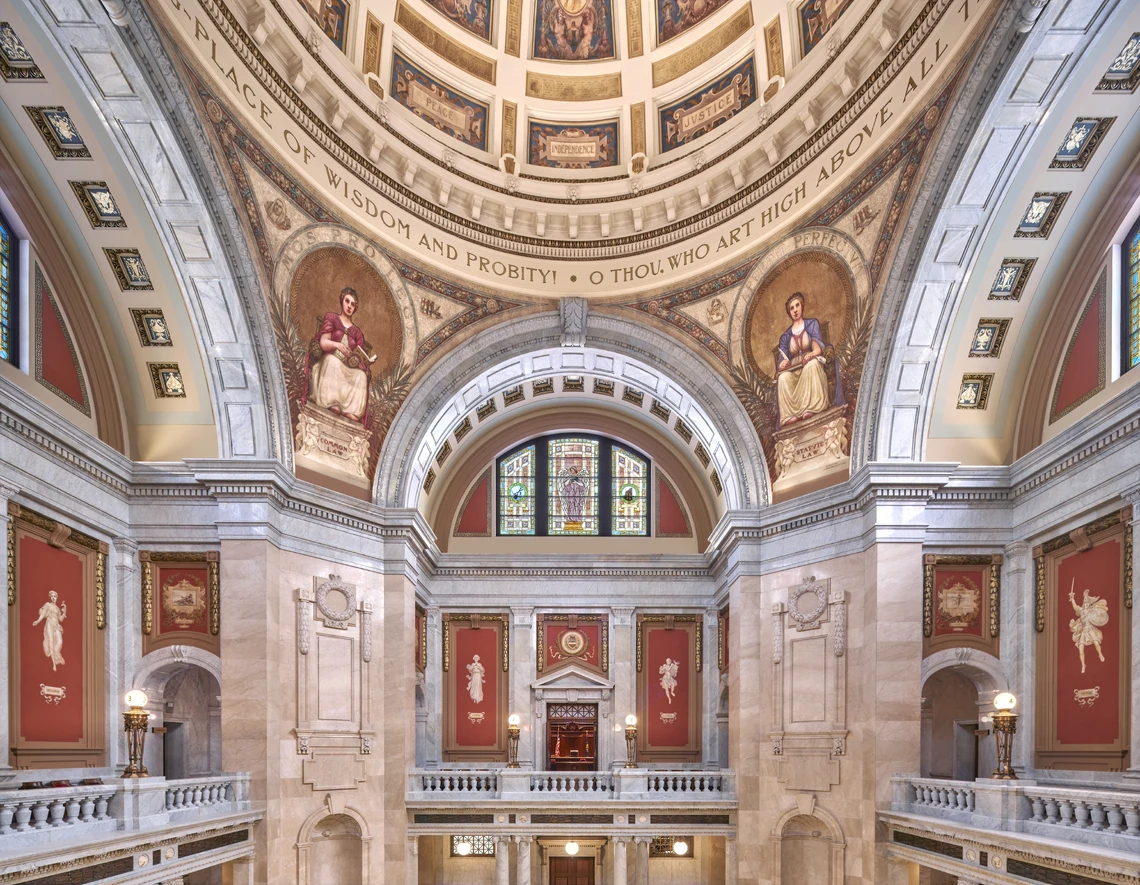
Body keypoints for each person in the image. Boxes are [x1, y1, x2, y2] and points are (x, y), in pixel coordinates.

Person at [775, 291, 845, 426]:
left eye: (797, 306)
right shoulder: (785, 336)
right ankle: (790, 415)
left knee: (811, 366)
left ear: (802, 306)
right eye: (792, 308)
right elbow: (781, 360)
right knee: (783, 378)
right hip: (794, 368)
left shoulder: (812, 324)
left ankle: (812, 407)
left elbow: (818, 349)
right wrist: (782, 364)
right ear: (789, 312)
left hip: (811, 360)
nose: (795, 310)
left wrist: (811, 355)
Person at [304, 286, 371, 423]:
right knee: (332, 361)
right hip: (330, 360)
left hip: (348, 367)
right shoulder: (332, 318)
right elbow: (323, 343)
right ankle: (332, 402)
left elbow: (358, 356)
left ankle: (351, 411)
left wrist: (362, 363)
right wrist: (338, 345)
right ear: (342, 301)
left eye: (353, 304)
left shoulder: (357, 333)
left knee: (361, 376)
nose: (349, 306)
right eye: (347, 301)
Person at [1069, 580, 1109, 674]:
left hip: (1090, 629)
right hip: (1084, 631)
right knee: (1081, 650)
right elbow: (1075, 607)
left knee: (1096, 643)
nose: (1086, 604)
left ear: (1089, 604)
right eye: (1085, 602)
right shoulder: (1081, 611)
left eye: (1087, 603)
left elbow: (1099, 616)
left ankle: (1100, 654)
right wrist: (1072, 598)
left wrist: (1086, 596)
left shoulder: (1092, 611)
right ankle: (1083, 665)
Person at [32, 590, 66, 671]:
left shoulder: (57, 608)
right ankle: (54, 664)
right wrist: (38, 621)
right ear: (50, 597)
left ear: (57, 598)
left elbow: (61, 619)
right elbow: (43, 614)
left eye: (55, 596)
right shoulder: (47, 604)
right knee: (50, 641)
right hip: (50, 623)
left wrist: (65, 610)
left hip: (57, 625)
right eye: (52, 596)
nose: (53, 597)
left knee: (60, 641)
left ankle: (56, 654)